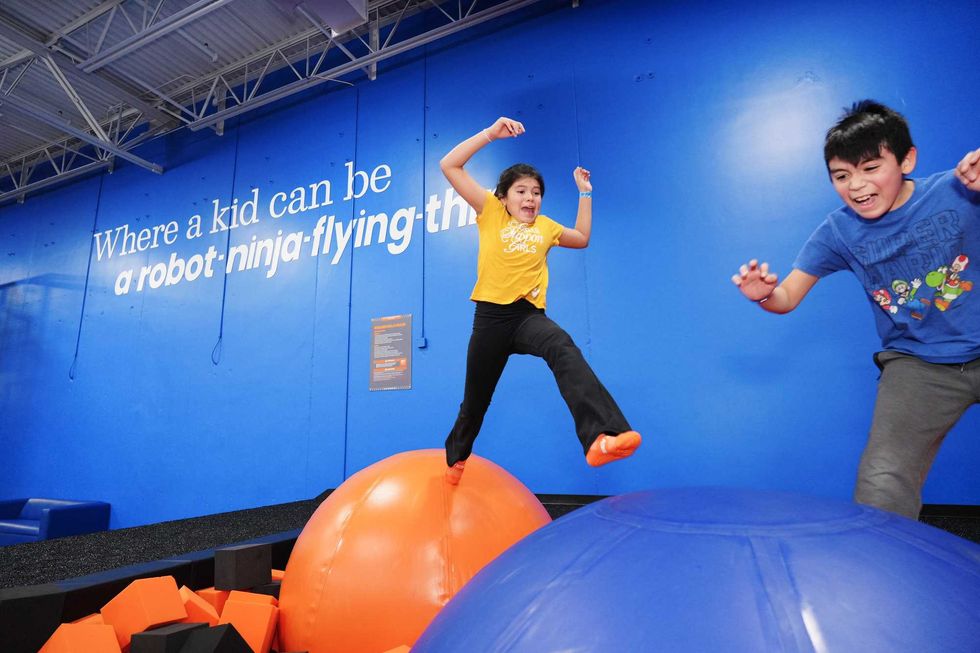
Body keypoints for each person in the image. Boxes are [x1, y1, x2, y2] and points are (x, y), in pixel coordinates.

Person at [732, 99, 980, 519]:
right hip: (918, 365)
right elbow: (788, 297)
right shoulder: (838, 231)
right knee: (882, 482)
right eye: (841, 176)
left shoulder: (958, 191)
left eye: (870, 168)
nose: (857, 186)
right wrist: (762, 294)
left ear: (906, 159)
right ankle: (885, 573)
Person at [439, 116, 641, 485]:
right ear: (504, 196)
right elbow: (449, 165)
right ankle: (456, 459)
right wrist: (489, 134)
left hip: (528, 316)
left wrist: (585, 192)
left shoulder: (546, 227)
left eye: (535, 192)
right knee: (475, 403)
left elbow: (581, 237)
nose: (530, 198)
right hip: (490, 319)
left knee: (563, 347)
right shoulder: (490, 211)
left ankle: (603, 435)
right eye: (521, 190)